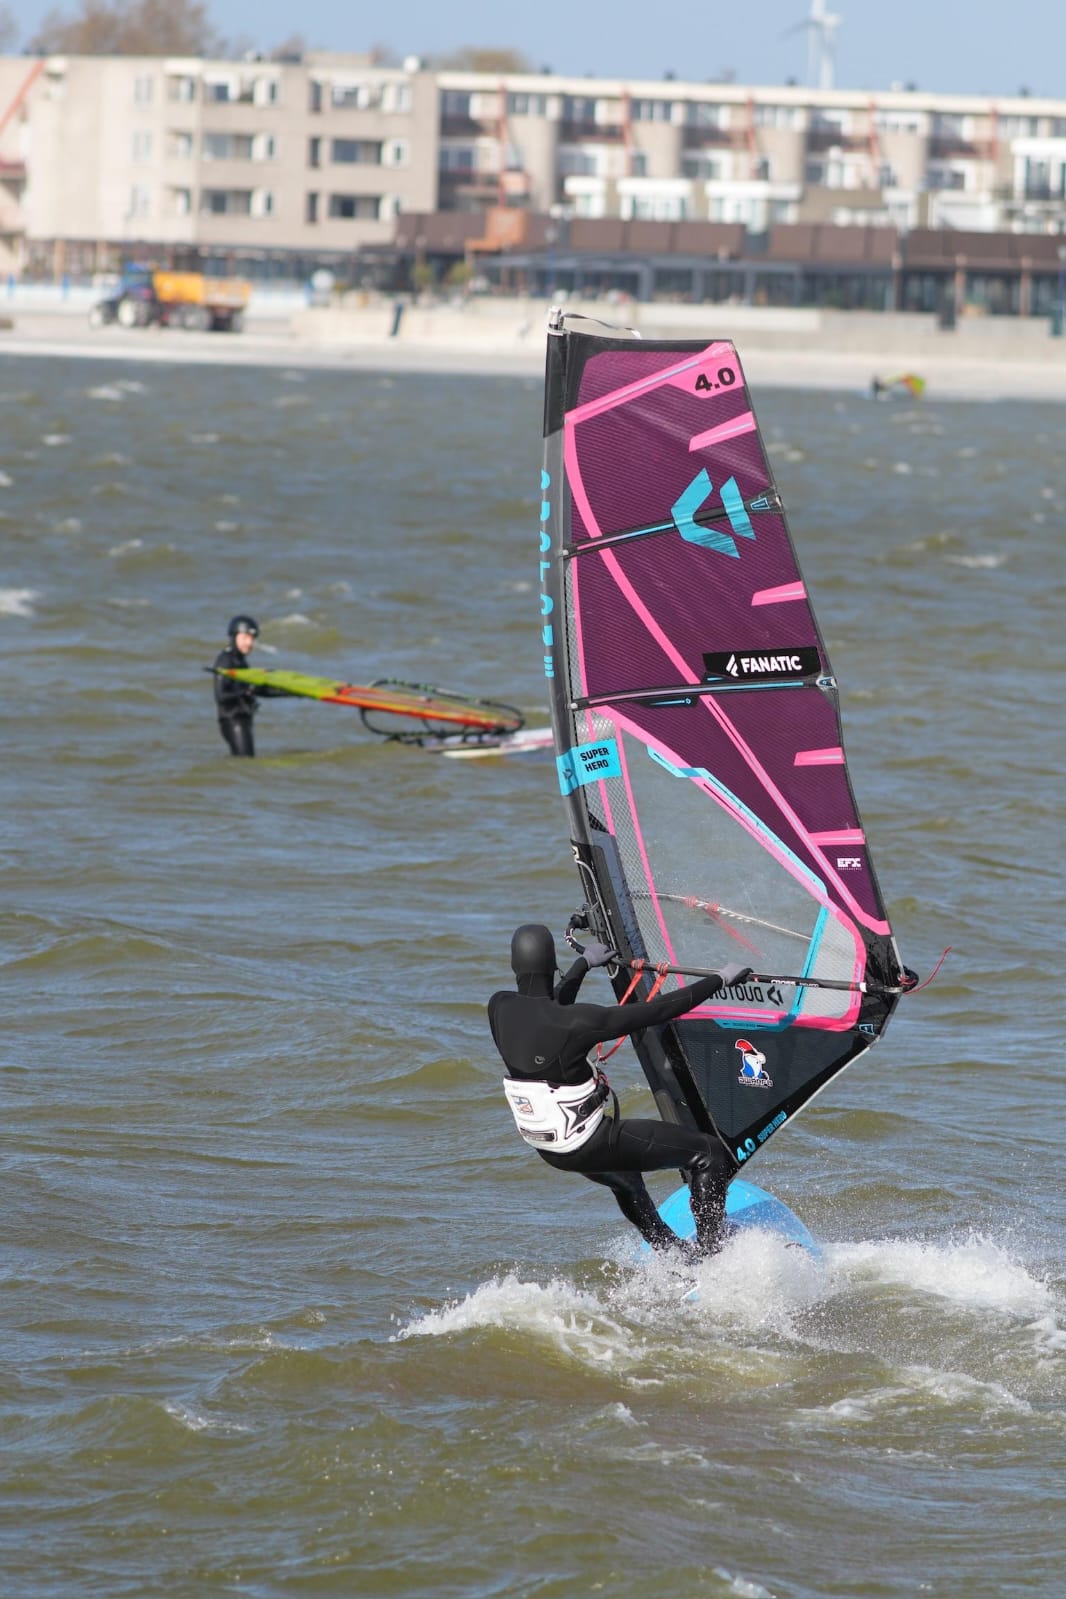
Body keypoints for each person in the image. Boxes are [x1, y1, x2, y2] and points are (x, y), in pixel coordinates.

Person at [487, 923, 752, 1259]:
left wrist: (583, 966)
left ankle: (672, 1256)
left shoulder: (498, 1008)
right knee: (710, 1154)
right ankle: (716, 1258)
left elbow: (547, 1012)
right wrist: (719, 981)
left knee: (626, 1180)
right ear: (551, 966)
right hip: (588, 1141)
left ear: (514, 966)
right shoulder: (579, 1021)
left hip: (549, 1148)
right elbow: (656, 1011)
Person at [211, 614, 283, 757]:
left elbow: (255, 691)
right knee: (246, 760)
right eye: (244, 638)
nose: (249, 643)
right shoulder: (225, 661)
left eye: (251, 639)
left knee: (244, 761)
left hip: (243, 719)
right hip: (232, 720)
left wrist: (291, 692)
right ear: (233, 636)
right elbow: (220, 696)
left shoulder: (241, 663)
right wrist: (245, 692)